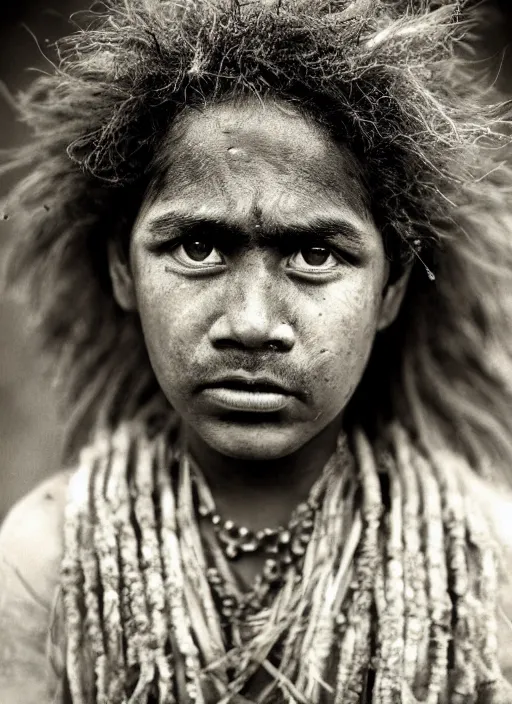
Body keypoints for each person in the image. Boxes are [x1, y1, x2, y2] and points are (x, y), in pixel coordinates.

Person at [1, 0, 512, 701]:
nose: (249, 322)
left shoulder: (481, 562)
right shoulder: (47, 557)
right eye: (199, 246)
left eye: (313, 253)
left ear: (391, 286)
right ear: (123, 268)